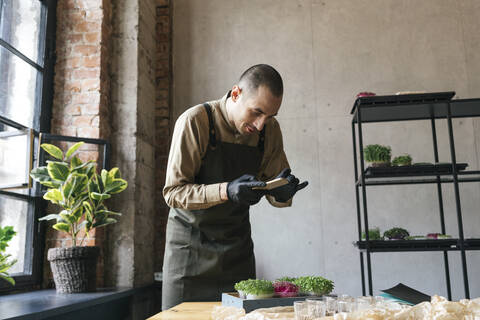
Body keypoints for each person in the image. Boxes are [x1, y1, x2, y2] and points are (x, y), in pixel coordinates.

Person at [161, 64, 308, 310]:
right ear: (236, 94)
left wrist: (281, 193)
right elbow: (174, 193)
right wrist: (226, 190)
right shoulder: (196, 121)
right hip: (189, 254)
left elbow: (274, 185)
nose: (261, 124)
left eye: (270, 116)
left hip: (237, 254)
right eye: (256, 112)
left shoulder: (269, 131)